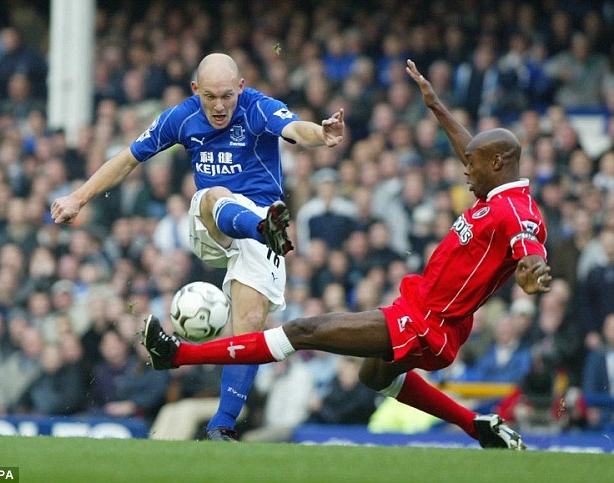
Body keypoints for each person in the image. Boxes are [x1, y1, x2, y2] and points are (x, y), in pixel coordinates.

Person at [142, 59, 552, 450]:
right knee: (374, 375)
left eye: (473, 164)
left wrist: (533, 269)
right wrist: (435, 105)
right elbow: (472, 152)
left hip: (429, 322)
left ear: (498, 163)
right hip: (421, 311)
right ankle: (476, 424)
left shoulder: (517, 211)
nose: (465, 169)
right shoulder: (496, 191)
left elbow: (529, 245)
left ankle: (177, 355)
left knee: (304, 331)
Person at [51, 52, 345, 441]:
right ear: (195, 90)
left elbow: (294, 129)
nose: (219, 106)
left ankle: (221, 427)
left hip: (263, 216)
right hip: (213, 223)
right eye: (210, 97)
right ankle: (260, 229)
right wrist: (78, 198)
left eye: (227, 96)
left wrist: (321, 135)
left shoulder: (257, 107)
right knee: (214, 194)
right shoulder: (181, 117)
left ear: (241, 87)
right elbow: (127, 159)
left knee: (250, 325)